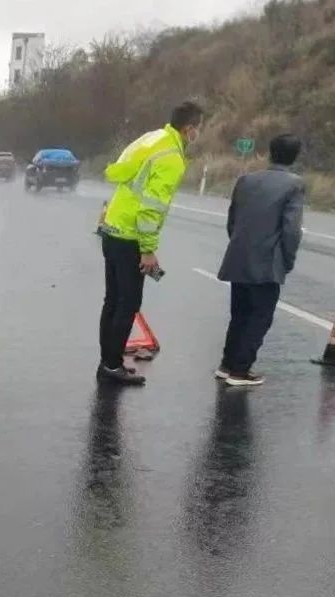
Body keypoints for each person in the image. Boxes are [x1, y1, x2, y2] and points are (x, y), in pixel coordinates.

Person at [97, 101, 204, 386]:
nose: (198, 135)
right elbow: (151, 207)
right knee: (128, 302)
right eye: (198, 129)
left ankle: (108, 361)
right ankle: (111, 365)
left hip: (113, 227)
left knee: (113, 300)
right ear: (188, 129)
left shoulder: (152, 138)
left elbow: (120, 173)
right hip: (131, 236)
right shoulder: (171, 157)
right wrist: (148, 249)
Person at [215, 134, 305, 387]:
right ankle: (240, 370)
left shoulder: (246, 180)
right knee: (260, 317)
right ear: (295, 156)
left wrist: (239, 244)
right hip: (266, 263)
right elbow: (291, 230)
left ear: (270, 152)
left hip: (238, 257)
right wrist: (287, 260)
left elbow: (232, 220)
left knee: (239, 314)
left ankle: (227, 364)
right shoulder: (294, 185)